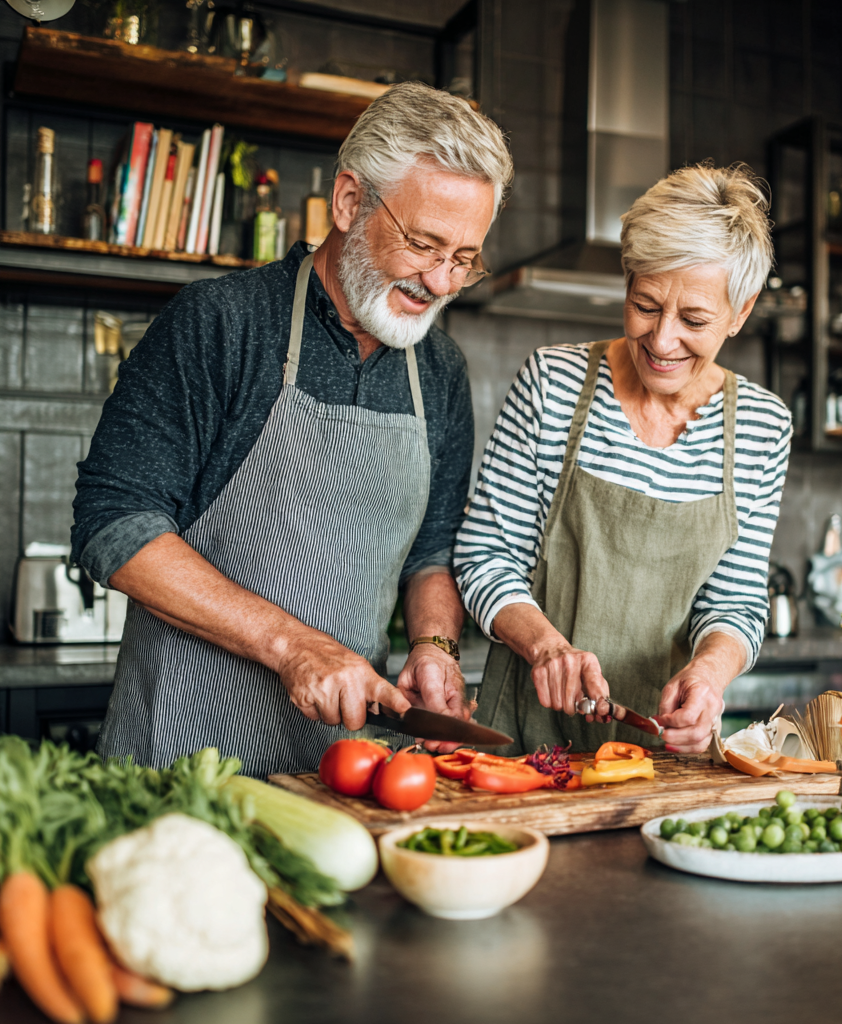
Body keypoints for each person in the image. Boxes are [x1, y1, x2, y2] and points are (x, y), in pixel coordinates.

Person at [72, 83, 514, 776]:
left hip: (343, 771)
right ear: (348, 203)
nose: (440, 280)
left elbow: (433, 554)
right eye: (424, 244)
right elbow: (113, 522)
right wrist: (292, 646)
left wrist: (436, 649)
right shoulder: (223, 322)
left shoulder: (442, 371)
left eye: (464, 257)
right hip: (183, 762)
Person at [454, 163, 791, 756]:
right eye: (645, 305)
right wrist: (546, 648)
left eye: (694, 320)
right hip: (523, 741)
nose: (661, 342)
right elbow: (484, 555)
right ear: (627, 280)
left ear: (740, 312)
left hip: (661, 753)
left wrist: (709, 674)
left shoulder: (763, 426)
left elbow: (735, 600)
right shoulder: (551, 382)